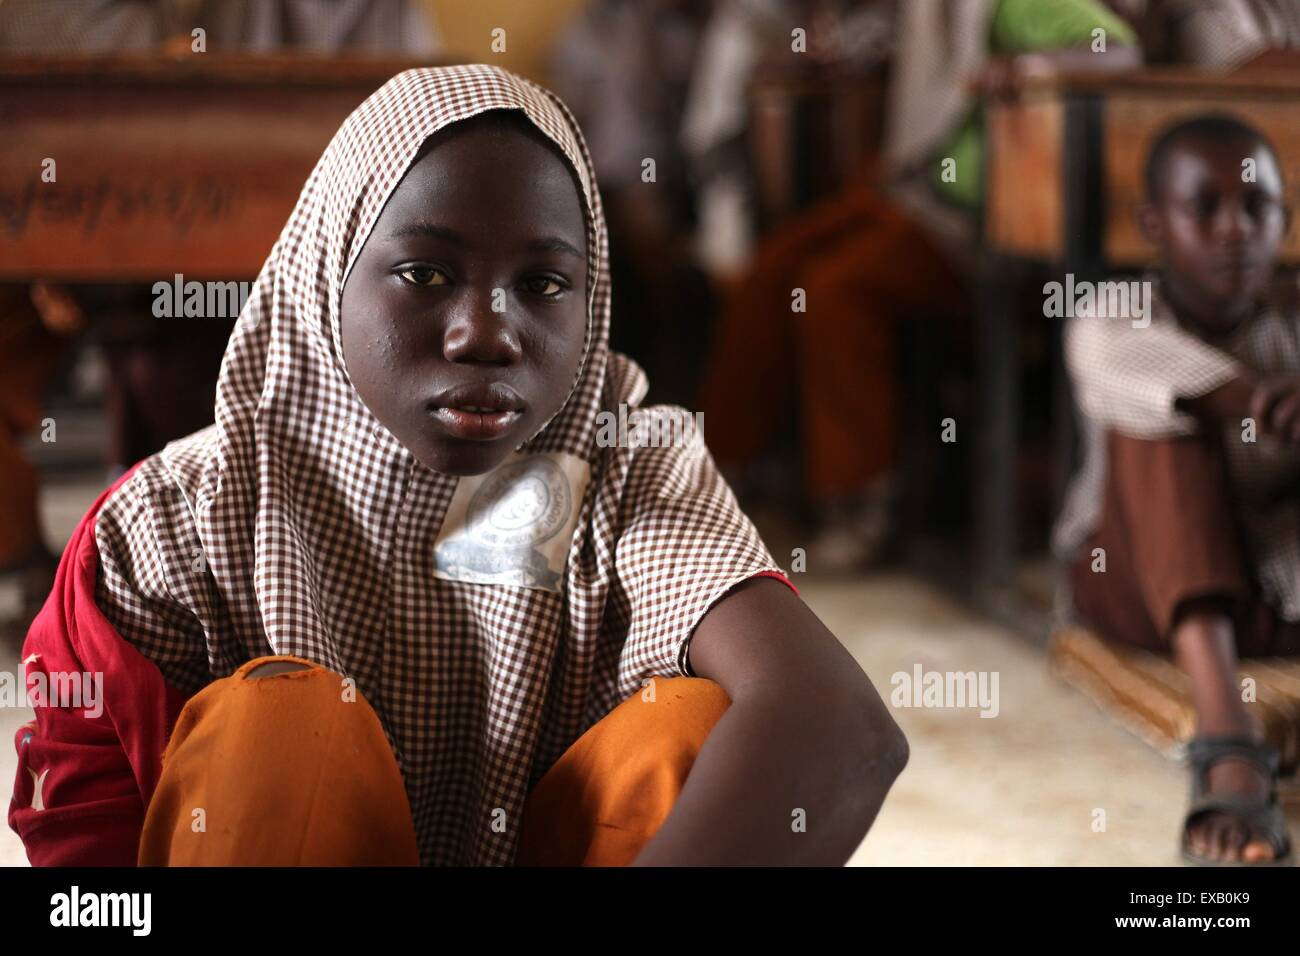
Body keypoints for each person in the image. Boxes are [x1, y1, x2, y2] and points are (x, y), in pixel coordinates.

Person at [9, 65, 908, 867]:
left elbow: (839, 728)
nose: (488, 331)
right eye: (426, 275)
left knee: (687, 733)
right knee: (280, 728)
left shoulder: (628, 471)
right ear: (326, 273)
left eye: (545, 285)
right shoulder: (171, 528)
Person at [697, 0, 1141, 571]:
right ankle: (715, 477)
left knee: (833, 289)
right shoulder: (927, 12)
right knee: (774, 264)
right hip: (910, 188)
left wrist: (1026, 67)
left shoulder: (1012, 5)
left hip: (972, 227)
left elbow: (1120, 49)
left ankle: (859, 504)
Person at [1056, 115, 1298, 865]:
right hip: (1135, 592)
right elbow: (1145, 378)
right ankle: (1229, 740)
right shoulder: (1109, 316)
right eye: (1206, 206)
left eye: (1258, 209)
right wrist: (1270, 400)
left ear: (1285, 220)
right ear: (1152, 223)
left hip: (1273, 599)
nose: (1236, 230)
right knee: (1157, 423)